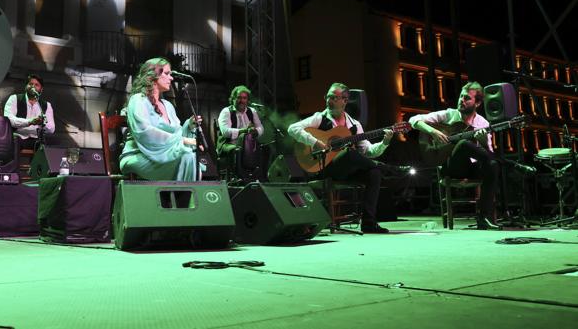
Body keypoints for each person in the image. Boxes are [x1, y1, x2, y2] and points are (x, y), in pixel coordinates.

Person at [409, 81, 526, 229]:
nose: (461, 101)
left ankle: (484, 218)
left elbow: (487, 154)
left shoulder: (482, 123)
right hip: (450, 166)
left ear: (477, 103)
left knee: (493, 164)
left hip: (471, 167)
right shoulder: (448, 115)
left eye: (467, 98)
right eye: (461, 97)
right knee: (464, 143)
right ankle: (511, 164)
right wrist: (433, 132)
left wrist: (483, 142)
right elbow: (413, 120)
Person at [288, 82, 393, 233]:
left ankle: (369, 223)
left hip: (347, 170)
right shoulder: (319, 118)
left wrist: (384, 142)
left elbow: (368, 151)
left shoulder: (355, 125)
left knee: (374, 173)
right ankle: (387, 168)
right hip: (323, 167)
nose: (328, 100)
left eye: (333, 97)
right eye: (328, 96)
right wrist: (315, 142)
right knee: (350, 154)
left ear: (344, 100)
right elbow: (293, 128)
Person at [119, 57, 202, 181]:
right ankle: (181, 198)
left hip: (164, 155)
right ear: (153, 76)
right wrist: (185, 140)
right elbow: (145, 132)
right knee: (187, 156)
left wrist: (188, 126)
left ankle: (180, 197)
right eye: (167, 73)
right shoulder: (138, 100)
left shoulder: (168, 105)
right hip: (139, 155)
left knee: (190, 156)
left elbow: (175, 136)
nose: (171, 78)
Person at [216, 85, 265, 178]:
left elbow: (261, 127)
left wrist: (256, 131)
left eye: (244, 98)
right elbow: (226, 132)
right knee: (238, 150)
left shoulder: (252, 111)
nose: (241, 100)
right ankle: (240, 178)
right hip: (228, 144)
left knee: (265, 149)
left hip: (248, 144)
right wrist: (244, 131)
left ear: (247, 100)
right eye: (239, 97)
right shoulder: (226, 111)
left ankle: (260, 177)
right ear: (233, 99)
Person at [4, 74, 55, 151]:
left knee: (46, 149)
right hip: (18, 137)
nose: (33, 86)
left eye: (36, 85)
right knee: (13, 145)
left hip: (37, 139)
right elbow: (9, 120)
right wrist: (30, 122)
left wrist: (42, 123)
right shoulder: (14, 99)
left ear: (41, 89)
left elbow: (52, 128)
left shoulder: (46, 105)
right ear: (26, 86)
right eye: (30, 84)